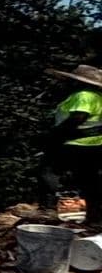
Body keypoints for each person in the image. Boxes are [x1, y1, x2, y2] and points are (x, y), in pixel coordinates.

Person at [43, 64, 102, 211]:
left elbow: (78, 117)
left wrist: (57, 135)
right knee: (89, 179)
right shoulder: (98, 97)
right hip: (94, 143)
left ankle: (49, 207)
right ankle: (94, 213)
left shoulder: (83, 95)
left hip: (76, 143)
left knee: (49, 171)